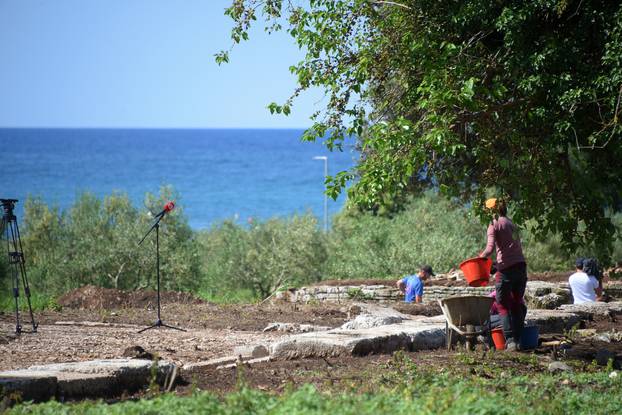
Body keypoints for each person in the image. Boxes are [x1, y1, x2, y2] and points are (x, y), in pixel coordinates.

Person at [479, 198, 527, 351]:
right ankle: (519, 340)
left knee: (502, 305)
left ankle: (510, 341)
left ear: (490, 210)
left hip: (506, 269)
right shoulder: (511, 223)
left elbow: (490, 248)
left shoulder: (494, 223)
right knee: (517, 302)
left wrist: (479, 258)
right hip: (521, 267)